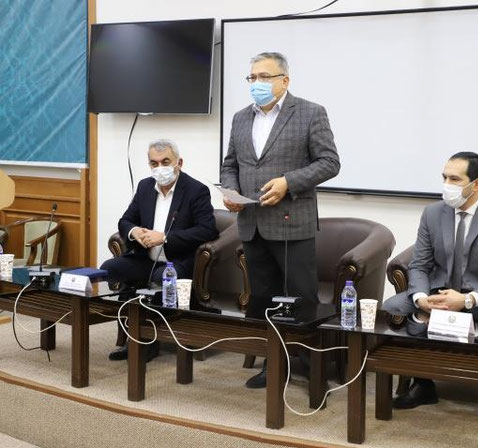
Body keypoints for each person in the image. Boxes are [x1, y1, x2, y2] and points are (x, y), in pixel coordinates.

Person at [220, 52, 340, 388]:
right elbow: (230, 164)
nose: (256, 83)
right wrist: (231, 190)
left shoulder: (310, 112)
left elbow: (329, 162)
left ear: (284, 80)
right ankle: (272, 365)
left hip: (292, 222)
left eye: (264, 77)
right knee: (262, 298)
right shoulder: (240, 118)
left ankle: (313, 370)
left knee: (301, 300)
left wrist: (289, 182)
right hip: (252, 223)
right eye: (252, 77)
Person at [381, 152, 478, 427]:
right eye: (444, 177)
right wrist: (421, 298)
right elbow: (419, 264)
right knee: (393, 307)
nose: (446, 184)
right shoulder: (433, 213)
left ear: (476, 184)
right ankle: (423, 383)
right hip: (439, 292)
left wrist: (467, 300)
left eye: (455, 179)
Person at [102, 139, 218, 361]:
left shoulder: (196, 190)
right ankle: (131, 335)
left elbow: (207, 230)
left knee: (161, 277)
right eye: (154, 163)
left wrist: (164, 238)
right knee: (111, 268)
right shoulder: (145, 187)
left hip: (178, 260)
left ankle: (147, 343)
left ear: (179, 163)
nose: (160, 168)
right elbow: (125, 220)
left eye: (165, 162)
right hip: (146, 258)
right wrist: (134, 231)